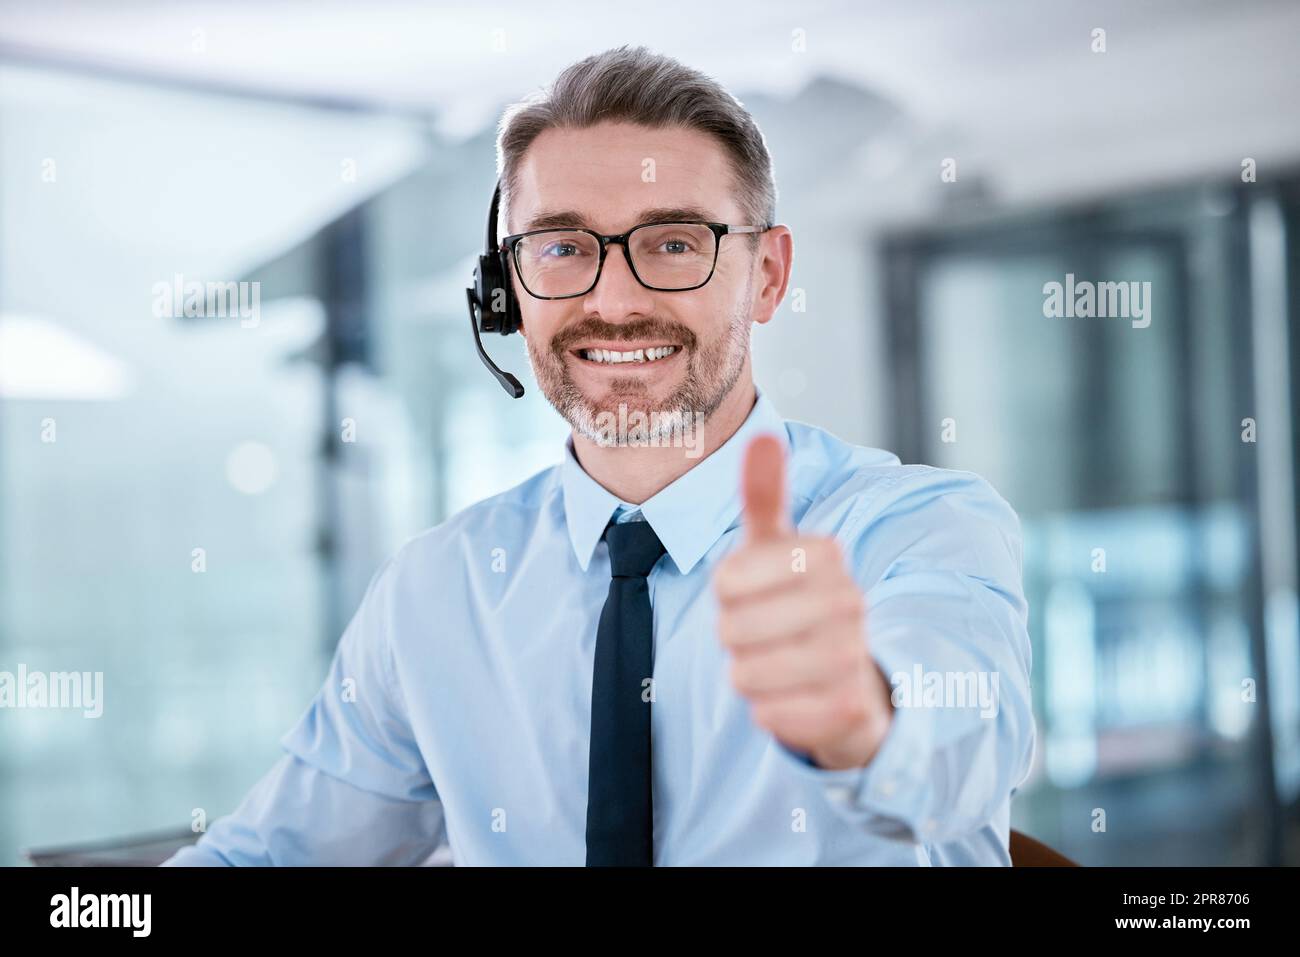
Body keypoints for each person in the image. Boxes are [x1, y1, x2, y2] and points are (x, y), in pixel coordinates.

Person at [164, 44, 1034, 867]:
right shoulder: (436, 590)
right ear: (504, 293)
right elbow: (276, 852)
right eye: (562, 248)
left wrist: (864, 719)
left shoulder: (920, 527)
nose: (614, 300)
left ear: (767, 275)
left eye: (674, 244)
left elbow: (965, 743)